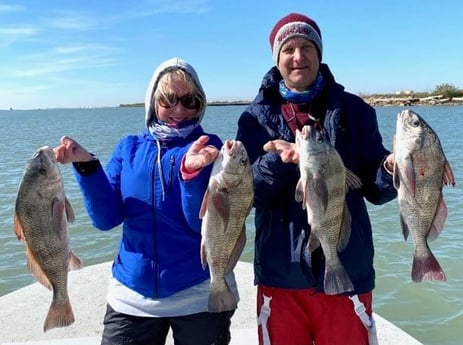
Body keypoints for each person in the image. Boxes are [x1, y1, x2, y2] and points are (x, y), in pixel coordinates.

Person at [235, 13, 397, 345]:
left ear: (319, 53)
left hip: (348, 270)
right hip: (281, 275)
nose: (298, 57)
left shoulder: (355, 111)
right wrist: (279, 162)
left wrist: (393, 169)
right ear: (277, 59)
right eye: (288, 49)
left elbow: (376, 189)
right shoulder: (253, 119)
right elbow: (247, 195)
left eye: (307, 46)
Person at [54, 57, 237, 345]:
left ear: (200, 104)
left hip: (199, 292)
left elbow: (199, 225)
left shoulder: (209, 147)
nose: (179, 109)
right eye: (169, 99)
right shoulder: (128, 148)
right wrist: (86, 165)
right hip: (131, 295)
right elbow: (106, 219)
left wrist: (190, 175)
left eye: (189, 100)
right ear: (152, 101)